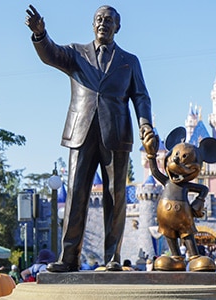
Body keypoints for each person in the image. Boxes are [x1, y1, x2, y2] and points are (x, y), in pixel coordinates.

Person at [25, 4, 156, 273]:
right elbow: (51, 55)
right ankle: (68, 257)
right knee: (75, 194)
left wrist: (145, 125)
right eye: (98, 19)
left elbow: (141, 96)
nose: (103, 24)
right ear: (92, 24)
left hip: (117, 135)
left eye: (108, 20)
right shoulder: (76, 53)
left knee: (115, 195)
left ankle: (112, 258)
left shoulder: (130, 61)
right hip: (81, 132)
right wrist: (41, 35)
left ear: (117, 27)